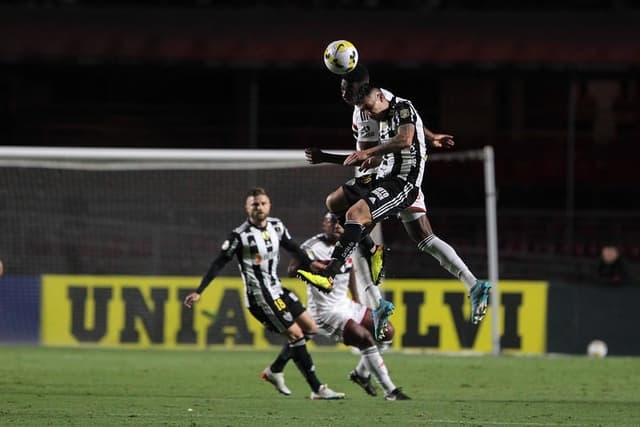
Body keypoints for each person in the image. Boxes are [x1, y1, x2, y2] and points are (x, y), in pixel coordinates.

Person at [299, 67, 490, 325]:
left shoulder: (400, 107)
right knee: (336, 204)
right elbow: (368, 156)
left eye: (368, 107)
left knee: (356, 219)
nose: (367, 113)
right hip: (385, 175)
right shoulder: (367, 112)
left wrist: (376, 152)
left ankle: (333, 274)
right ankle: (472, 283)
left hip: (404, 183)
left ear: (379, 97)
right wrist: (326, 158)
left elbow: (406, 137)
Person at [183, 187, 344, 400]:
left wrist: (312, 265)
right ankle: (318, 389)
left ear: (269, 205)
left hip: (277, 288)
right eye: (254, 204)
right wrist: (199, 291)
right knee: (296, 335)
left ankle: (275, 371)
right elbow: (219, 263)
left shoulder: (276, 226)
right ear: (247, 208)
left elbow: (293, 248)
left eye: (262, 203)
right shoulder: (240, 236)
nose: (259, 207)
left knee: (310, 328)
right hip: (260, 297)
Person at [289, 212, 410, 401]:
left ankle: (361, 374)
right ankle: (391, 391)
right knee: (365, 338)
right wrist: (312, 266)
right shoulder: (311, 247)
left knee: (386, 331)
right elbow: (291, 270)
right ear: (324, 224)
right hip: (325, 312)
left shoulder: (347, 243)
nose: (337, 226)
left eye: (341, 223)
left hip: (346, 304)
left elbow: (350, 269)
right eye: (333, 222)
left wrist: (356, 298)